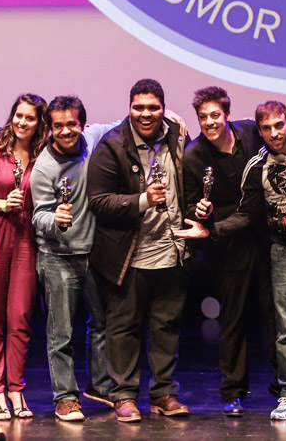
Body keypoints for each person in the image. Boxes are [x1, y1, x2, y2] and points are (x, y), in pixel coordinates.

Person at [176, 101, 286, 420]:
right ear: (259, 130)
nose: (274, 133)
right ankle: (270, 393)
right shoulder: (242, 163)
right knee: (266, 325)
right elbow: (247, 214)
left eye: (279, 125)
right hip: (261, 250)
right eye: (266, 128)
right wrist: (210, 230)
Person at [87, 78, 190, 423]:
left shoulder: (177, 136)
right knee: (124, 327)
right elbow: (98, 201)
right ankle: (124, 395)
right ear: (129, 108)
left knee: (166, 326)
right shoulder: (112, 145)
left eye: (153, 108)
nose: (146, 114)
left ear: (163, 109)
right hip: (128, 255)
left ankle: (163, 393)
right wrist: (143, 200)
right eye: (139, 108)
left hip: (171, 250)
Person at [181, 87, 279, 417]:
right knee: (233, 319)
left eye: (215, 115)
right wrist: (201, 210)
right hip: (226, 245)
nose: (209, 122)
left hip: (266, 240)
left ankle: (285, 388)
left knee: (275, 317)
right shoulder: (194, 155)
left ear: (226, 113)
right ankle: (233, 391)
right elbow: (189, 205)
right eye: (203, 117)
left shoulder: (252, 132)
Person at [30, 96, 118, 421]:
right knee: (61, 334)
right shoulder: (44, 168)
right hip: (58, 257)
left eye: (72, 124)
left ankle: (101, 385)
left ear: (82, 123)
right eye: (58, 126)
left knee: (103, 324)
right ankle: (65, 397)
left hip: (93, 254)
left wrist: (169, 115)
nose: (66, 131)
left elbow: (125, 123)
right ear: (49, 128)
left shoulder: (92, 138)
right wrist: (56, 220)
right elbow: (37, 217)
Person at [0, 93, 47, 420]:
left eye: (30, 117)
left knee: (20, 319)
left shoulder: (44, 156)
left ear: (38, 122)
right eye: (18, 115)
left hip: (25, 240)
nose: (22, 122)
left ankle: (16, 388)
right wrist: (3, 204)